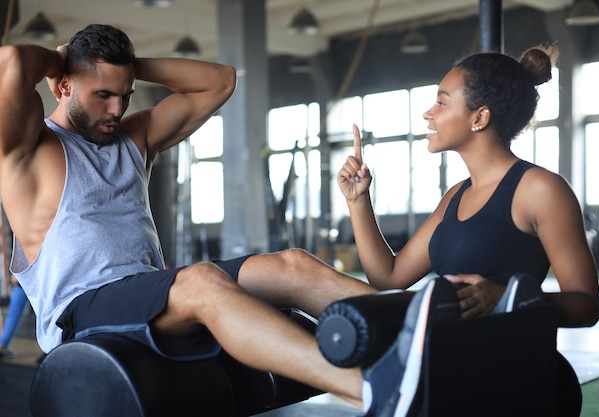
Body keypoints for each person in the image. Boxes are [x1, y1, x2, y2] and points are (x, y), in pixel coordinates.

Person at [0, 23, 461, 417]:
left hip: (147, 290)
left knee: (292, 266)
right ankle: (371, 389)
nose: (117, 109)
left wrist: (126, 66)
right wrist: (64, 59)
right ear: (62, 86)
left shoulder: (132, 137)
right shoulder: (29, 150)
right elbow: (12, 61)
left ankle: (440, 339)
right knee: (200, 280)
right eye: (102, 95)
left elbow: (219, 81)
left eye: (124, 95)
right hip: (82, 310)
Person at [337, 45, 599, 329]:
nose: (428, 114)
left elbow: (586, 305)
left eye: (441, 103)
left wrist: (507, 297)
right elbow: (388, 278)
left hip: (501, 356)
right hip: (442, 342)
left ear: (479, 118)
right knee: (294, 267)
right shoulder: (456, 195)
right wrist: (358, 200)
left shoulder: (540, 189)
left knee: (296, 269)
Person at [0, 277, 30, 358]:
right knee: (13, 314)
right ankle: (2, 346)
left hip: (26, 279)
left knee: (13, 314)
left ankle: (3, 345)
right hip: (26, 280)